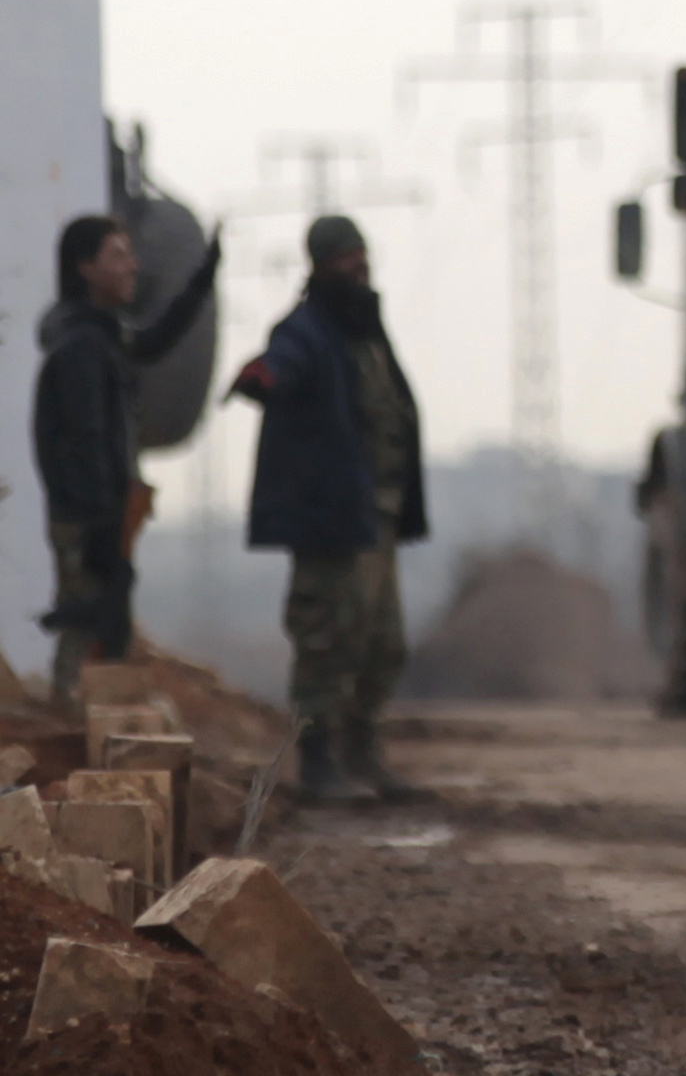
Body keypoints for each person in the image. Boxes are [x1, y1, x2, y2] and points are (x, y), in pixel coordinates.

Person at [236, 216, 426, 803]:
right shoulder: (307, 330)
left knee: (382, 646)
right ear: (320, 266)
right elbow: (281, 363)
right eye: (345, 257)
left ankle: (361, 753)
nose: (358, 267)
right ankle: (318, 764)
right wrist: (263, 376)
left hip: (375, 520)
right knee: (327, 643)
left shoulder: (364, 331)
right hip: (331, 520)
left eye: (361, 254)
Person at [30, 213, 221, 707]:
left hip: (104, 510)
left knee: (104, 623)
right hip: (89, 515)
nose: (133, 266)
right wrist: (98, 524)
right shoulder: (81, 345)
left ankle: (93, 724)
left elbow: (153, 341)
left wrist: (199, 284)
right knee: (88, 629)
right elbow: (84, 440)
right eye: (117, 255)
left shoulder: (104, 333)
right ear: (86, 267)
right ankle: (76, 725)